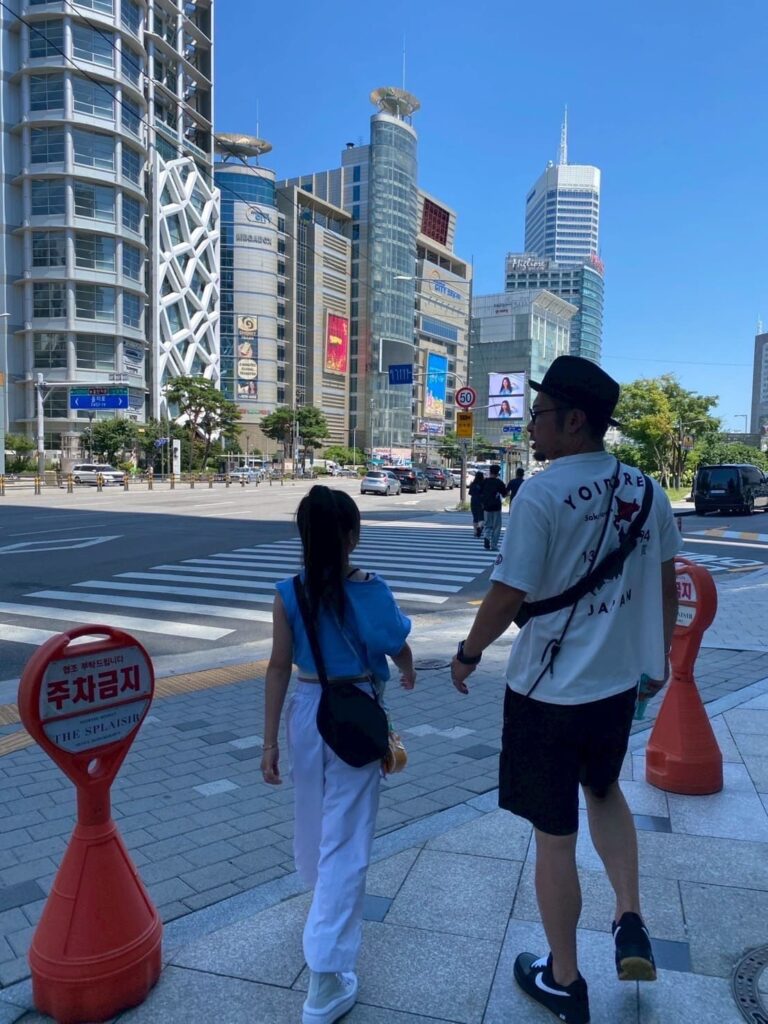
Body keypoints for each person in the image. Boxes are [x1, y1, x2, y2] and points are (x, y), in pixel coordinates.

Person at [450, 356, 680, 1024]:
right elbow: (666, 584)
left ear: (575, 420)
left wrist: (467, 654)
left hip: (546, 696)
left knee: (555, 837)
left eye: (541, 414)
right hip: (615, 689)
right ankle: (629, 916)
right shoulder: (648, 490)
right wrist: (658, 659)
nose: (531, 426)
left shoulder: (542, 494)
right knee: (604, 791)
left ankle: (565, 979)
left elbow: (507, 595)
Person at [261, 486, 416, 1024]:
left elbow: (277, 667)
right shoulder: (371, 588)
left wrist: (268, 743)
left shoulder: (288, 592)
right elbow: (396, 643)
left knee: (314, 818)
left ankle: (320, 907)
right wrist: (409, 667)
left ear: (303, 535)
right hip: (353, 712)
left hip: (306, 713)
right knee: (347, 839)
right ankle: (326, 979)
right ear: (352, 536)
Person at [480, 464, 507, 551]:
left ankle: (486, 537)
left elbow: (480, 492)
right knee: (496, 527)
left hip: (486, 507)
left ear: (490, 472)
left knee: (487, 525)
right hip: (496, 507)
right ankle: (494, 545)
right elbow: (504, 494)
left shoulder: (485, 482)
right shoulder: (499, 483)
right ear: (497, 473)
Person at [468, 470, 485, 537]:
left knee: (475, 517)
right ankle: (479, 527)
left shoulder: (473, 484)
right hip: (481, 502)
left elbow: (470, 493)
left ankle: (475, 531)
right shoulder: (483, 484)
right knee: (482, 517)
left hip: (473, 501)